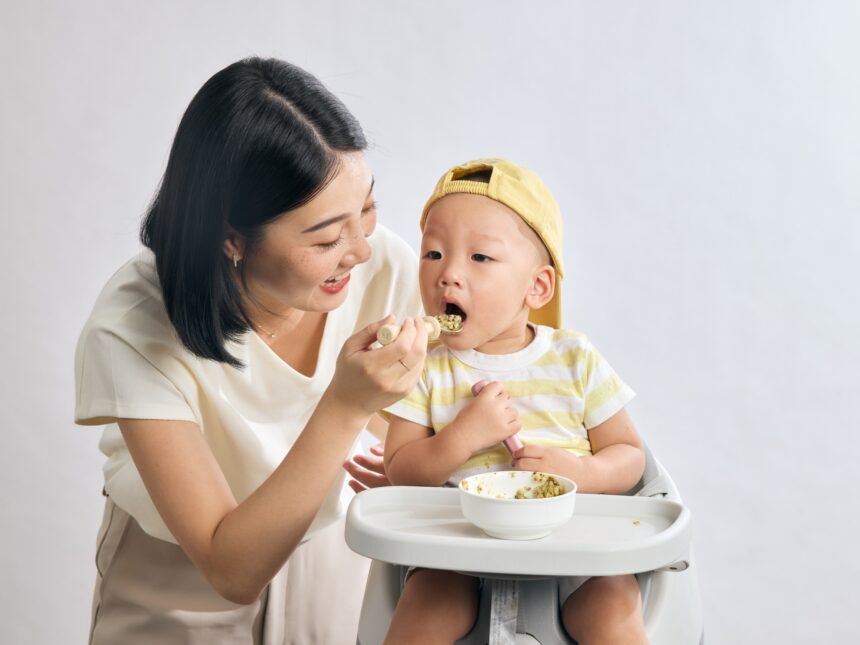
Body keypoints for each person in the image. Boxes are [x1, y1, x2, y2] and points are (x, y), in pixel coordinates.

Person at [74, 56, 428, 644]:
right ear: (231, 238)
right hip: (180, 582)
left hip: (330, 561)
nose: (361, 250)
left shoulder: (381, 262)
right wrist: (346, 405)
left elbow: (433, 433)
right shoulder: (134, 329)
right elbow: (227, 567)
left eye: (367, 208)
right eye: (326, 236)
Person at [382, 158, 649, 645]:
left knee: (612, 604)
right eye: (433, 254)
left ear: (537, 285)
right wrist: (463, 437)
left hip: (575, 546)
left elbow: (631, 457)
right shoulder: (426, 366)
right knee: (426, 607)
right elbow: (400, 470)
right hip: (456, 552)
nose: (449, 275)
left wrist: (583, 472)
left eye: (480, 258)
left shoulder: (575, 358)